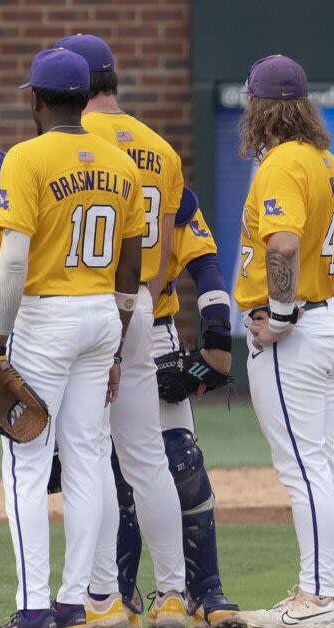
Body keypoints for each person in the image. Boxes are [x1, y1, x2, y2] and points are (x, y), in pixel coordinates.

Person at [0, 48, 144, 628]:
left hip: (45, 317)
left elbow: (13, 260)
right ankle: (75, 600)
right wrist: (117, 344)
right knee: (87, 458)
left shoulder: (26, 157)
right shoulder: (119, 162)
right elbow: (133, 269)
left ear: (36, 100)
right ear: (83, 98)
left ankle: (32, 607)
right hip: (102, 313)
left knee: (26, 462)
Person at [55, 33, 189, 627]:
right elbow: (161, 250)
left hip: (86, 307)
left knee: (89, 458)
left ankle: (102, 598)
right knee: (147, 458)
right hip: (143, 309)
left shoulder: (70, 142)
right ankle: (174, 595)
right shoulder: (161, 148)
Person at [233, 55, 334, 628]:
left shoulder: (284, 163)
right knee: (320, 467)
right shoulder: (330, 164)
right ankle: (323, 595)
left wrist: (287, 316)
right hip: (323, 326)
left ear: (260, 108)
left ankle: (317, 600)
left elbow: (283, 246)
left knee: (303, 471)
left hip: (294, 332)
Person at [143, 186, 242, 627]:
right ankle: (112, 596)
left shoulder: (160, 171)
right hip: (81, 331)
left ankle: (204, 593)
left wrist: (218, 334)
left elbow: (204, 263)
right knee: (105, 469)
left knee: (181, 460)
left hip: (152, 328)